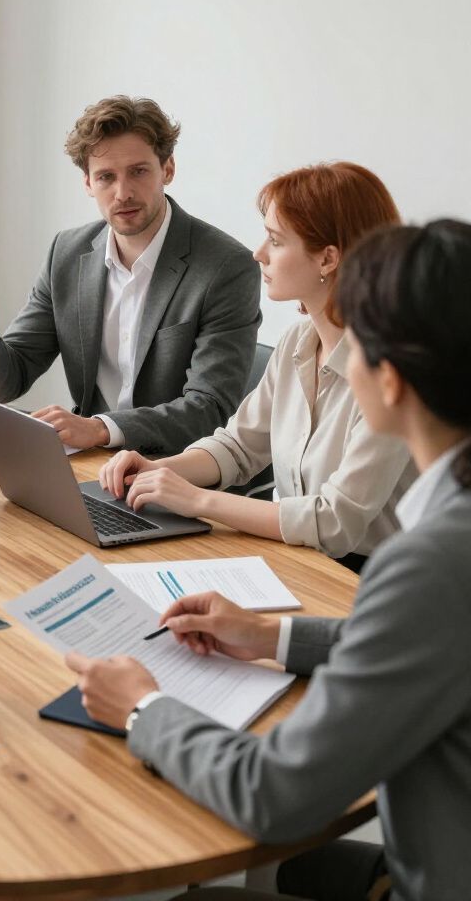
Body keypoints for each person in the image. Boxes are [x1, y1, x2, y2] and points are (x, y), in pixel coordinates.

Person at [68, 219, 471, 901]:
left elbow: (274, 793)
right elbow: (434, 635)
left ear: (392, 379)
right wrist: (272, 634)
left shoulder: (432, 560)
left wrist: (144, 709)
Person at [98, 162, 415, 569]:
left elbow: (336, 521)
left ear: (328, 259)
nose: (258, 253)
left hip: (375, 580)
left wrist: (198, 500)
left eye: (276, 241)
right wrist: (160, 470)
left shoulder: (391, 373)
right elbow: (238, 447)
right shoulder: (298, 342)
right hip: (303, 561)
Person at [0, 95, 260, 453]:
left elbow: (209, 409)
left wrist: (101, 429)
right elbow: (10, 382)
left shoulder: (226, 267)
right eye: (106, 177)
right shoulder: (67, 253)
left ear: (167, 169)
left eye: (139, 171)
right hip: (90, 464)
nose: (123, 193)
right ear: (88, 183)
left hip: (175, 472)